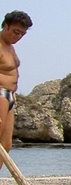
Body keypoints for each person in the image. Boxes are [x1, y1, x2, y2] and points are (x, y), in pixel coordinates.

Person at [0, 10, 32, 175]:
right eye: (16, 32)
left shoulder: (10, 48)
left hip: (10, 96)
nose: (18, 36)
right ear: (5, 26)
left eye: (22, 34)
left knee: (6, 145)